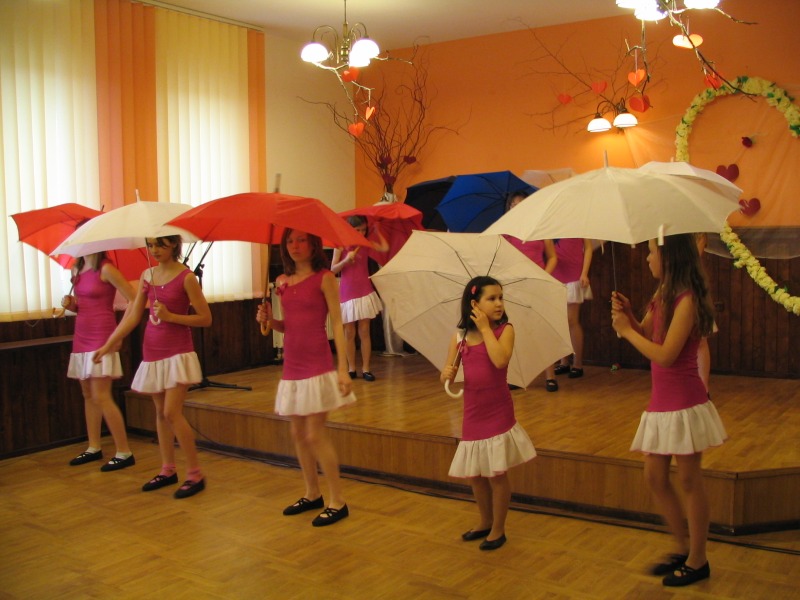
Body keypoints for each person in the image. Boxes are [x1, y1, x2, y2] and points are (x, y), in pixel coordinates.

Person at [611, 235, 727, 587]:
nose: (647, 259)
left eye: (651, 253)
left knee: (690, 481)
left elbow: (665, 355)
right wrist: (630, 317)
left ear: (669, 256)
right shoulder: (662, 294)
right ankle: (682, 547)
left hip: (684, 402)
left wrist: (627, 333)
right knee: (655, 477)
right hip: (662, 402)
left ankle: (698, 559)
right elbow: (649, 333)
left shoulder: (686, 300)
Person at [95, 235, 212, 499]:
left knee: (172, 412)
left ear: (174, 245)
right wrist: (110, 342)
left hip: (178, 353)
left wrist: (171, 316)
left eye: (160, 244)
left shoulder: (187, 277)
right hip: (153, 351)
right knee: (160, 413)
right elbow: (134, 314)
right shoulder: (147, 275)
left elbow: (205, 318)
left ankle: (195, 473)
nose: (154, 250)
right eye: (150, 245)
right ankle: (167, 469)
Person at [257, 228, 355, 526]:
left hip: (317, 365)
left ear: (313, 244)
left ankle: (338, 500)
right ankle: (312, 493)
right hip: (292, 366)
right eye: (290, 241)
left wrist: (342, 368)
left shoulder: (325, 278)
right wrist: (268, 320)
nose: (295, 245)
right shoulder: (282, 282)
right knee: (298, 434)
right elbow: (287, 326)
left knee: (315, 434)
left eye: (301, 240)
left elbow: (336, 323)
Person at [440, 276, 537, 550]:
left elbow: (500, 360)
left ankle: (498, 528)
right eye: (491, 298)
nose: (498, 303)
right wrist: (446, 373)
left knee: (496, 473)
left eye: (500, 298)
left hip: (498, 411)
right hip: (473, 412)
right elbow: (447, 375)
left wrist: (485, 329)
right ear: (474, 304)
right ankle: (484, 520)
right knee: (475, 474)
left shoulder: (505, 330)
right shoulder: (459, 337)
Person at [62, 251, 137, 471]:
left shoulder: (106, 268)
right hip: (81, 335)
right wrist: (71, 305)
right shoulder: (76, 269)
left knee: (101, 395)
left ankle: (124, 451)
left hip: (102, 335)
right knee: (87, 394)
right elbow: (83, 305)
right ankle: (93, 446)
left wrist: (119, 333)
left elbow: (134, 298)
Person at [502, 191, 559, 391]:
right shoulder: (506, 231)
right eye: (513, 204)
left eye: (521, 204)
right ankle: (517, 376)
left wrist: (543, 275)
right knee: (515, 331)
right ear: (509, 208)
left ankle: (550, 376)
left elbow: (553, 257)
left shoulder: (540, 228)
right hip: (514, 286)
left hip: (538, 286)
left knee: (542, 330)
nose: (517, 207)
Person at [330, 215, 389, 381]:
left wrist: (378, 231)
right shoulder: (340, 245)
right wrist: (345, 261)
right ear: (349, 229)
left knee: (364, 331)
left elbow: (384, 248)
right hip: (347, 292)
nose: (361, 233)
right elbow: (332, 269)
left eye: (364, 229)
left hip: (364, 290)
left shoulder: (365, 243)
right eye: (357, 230)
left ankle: (366, 369)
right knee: (349, 332)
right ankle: (351, 368)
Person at [550, 238, 593, 389]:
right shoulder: (550, 226)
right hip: (554, 274)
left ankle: (578, 363)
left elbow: (588, 248)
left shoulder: (579, 226)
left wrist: (584, 273)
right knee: (559, 321)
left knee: (571, 320)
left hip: (574, 273)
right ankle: (564, 361)